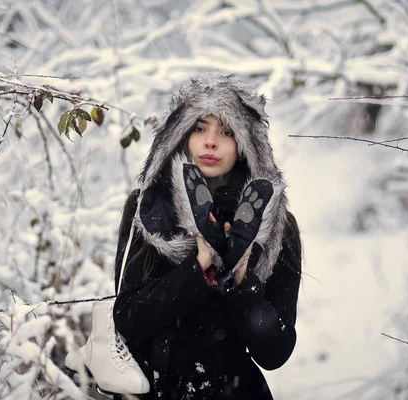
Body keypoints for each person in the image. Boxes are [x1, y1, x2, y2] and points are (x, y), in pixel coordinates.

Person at [112, 72, 302, 399]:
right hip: (155, 384)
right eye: (199, 128)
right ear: (180, 135)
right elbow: (128, 320)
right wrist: (199, 267)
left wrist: (244, 281)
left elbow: (276, 353)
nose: (210, 142)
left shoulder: (277, 226)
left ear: (245, 145)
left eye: (226, 132)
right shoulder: (148, 208)